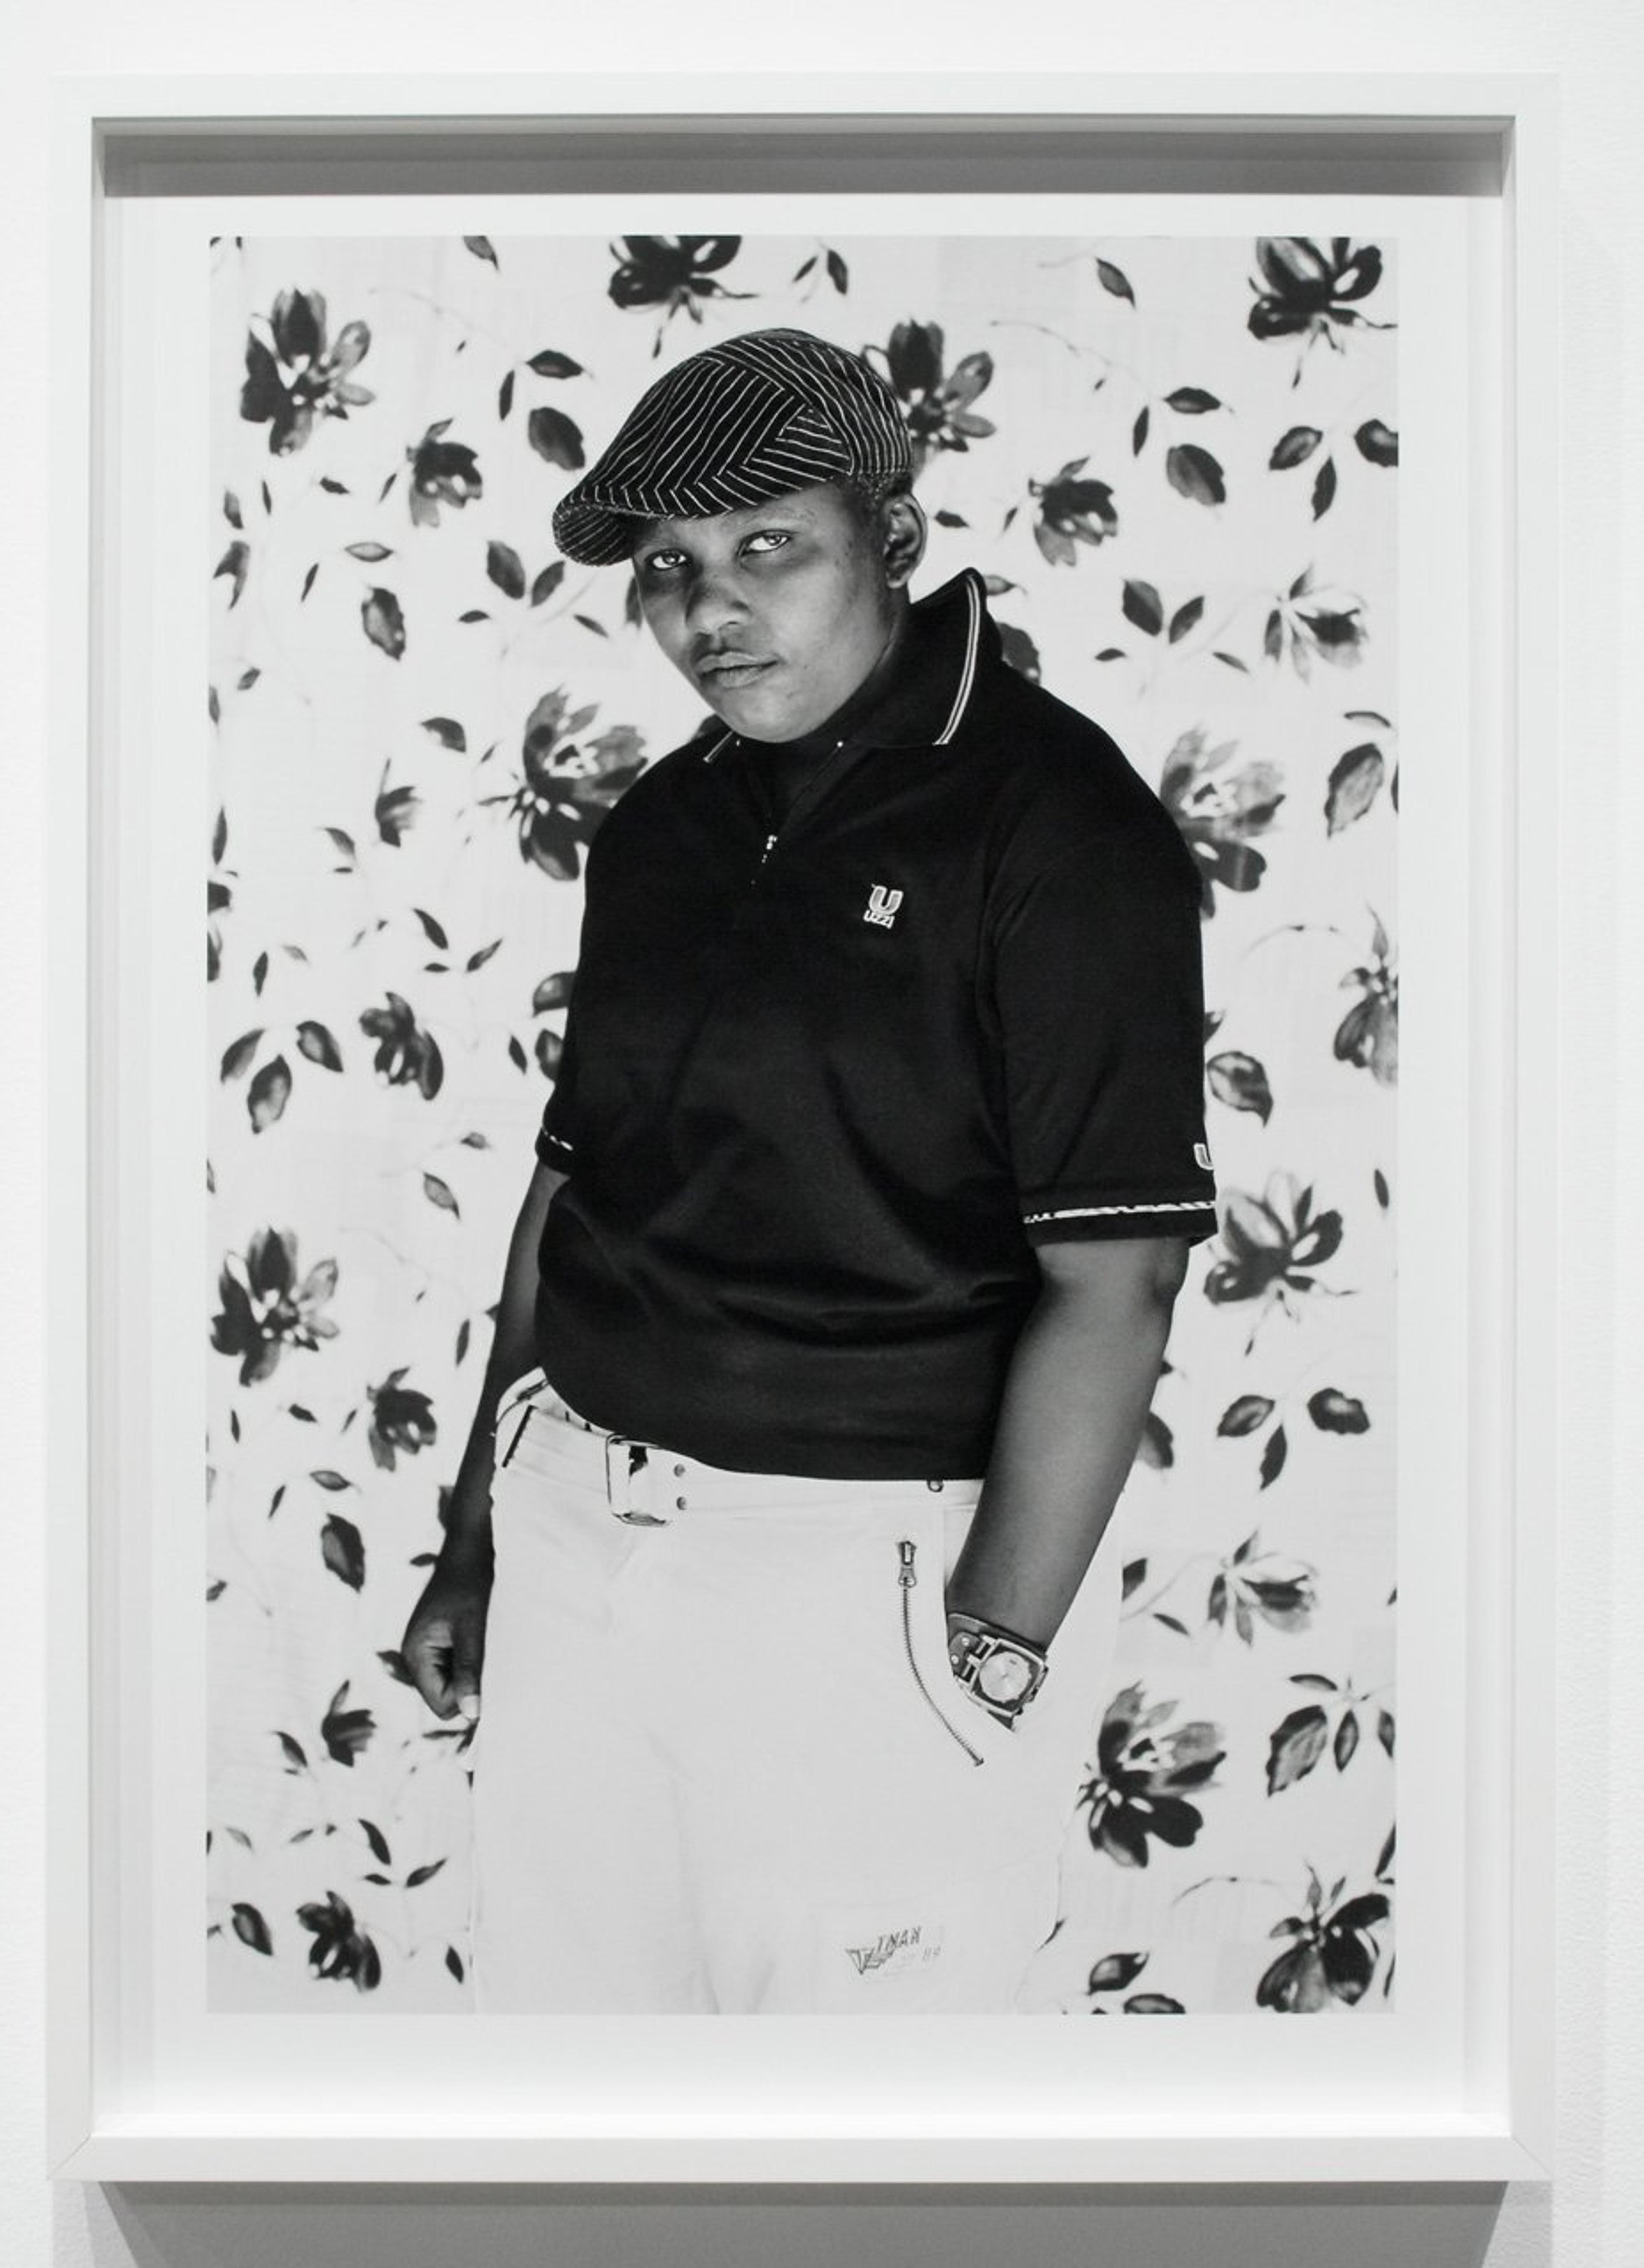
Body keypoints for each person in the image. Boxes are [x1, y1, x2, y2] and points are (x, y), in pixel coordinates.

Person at [401, 326, 1218, 2013]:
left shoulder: (1061, 827)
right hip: (580, 1548)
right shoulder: (664, 823)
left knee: (860, 2161)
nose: (710, 609)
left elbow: (1116, 1279)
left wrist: (977, 1664)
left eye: (768, 544)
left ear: (894, 537)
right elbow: (571, 1193)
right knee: (589, 2123)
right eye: (670, 569)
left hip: (856, 1584)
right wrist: (479, 1537)